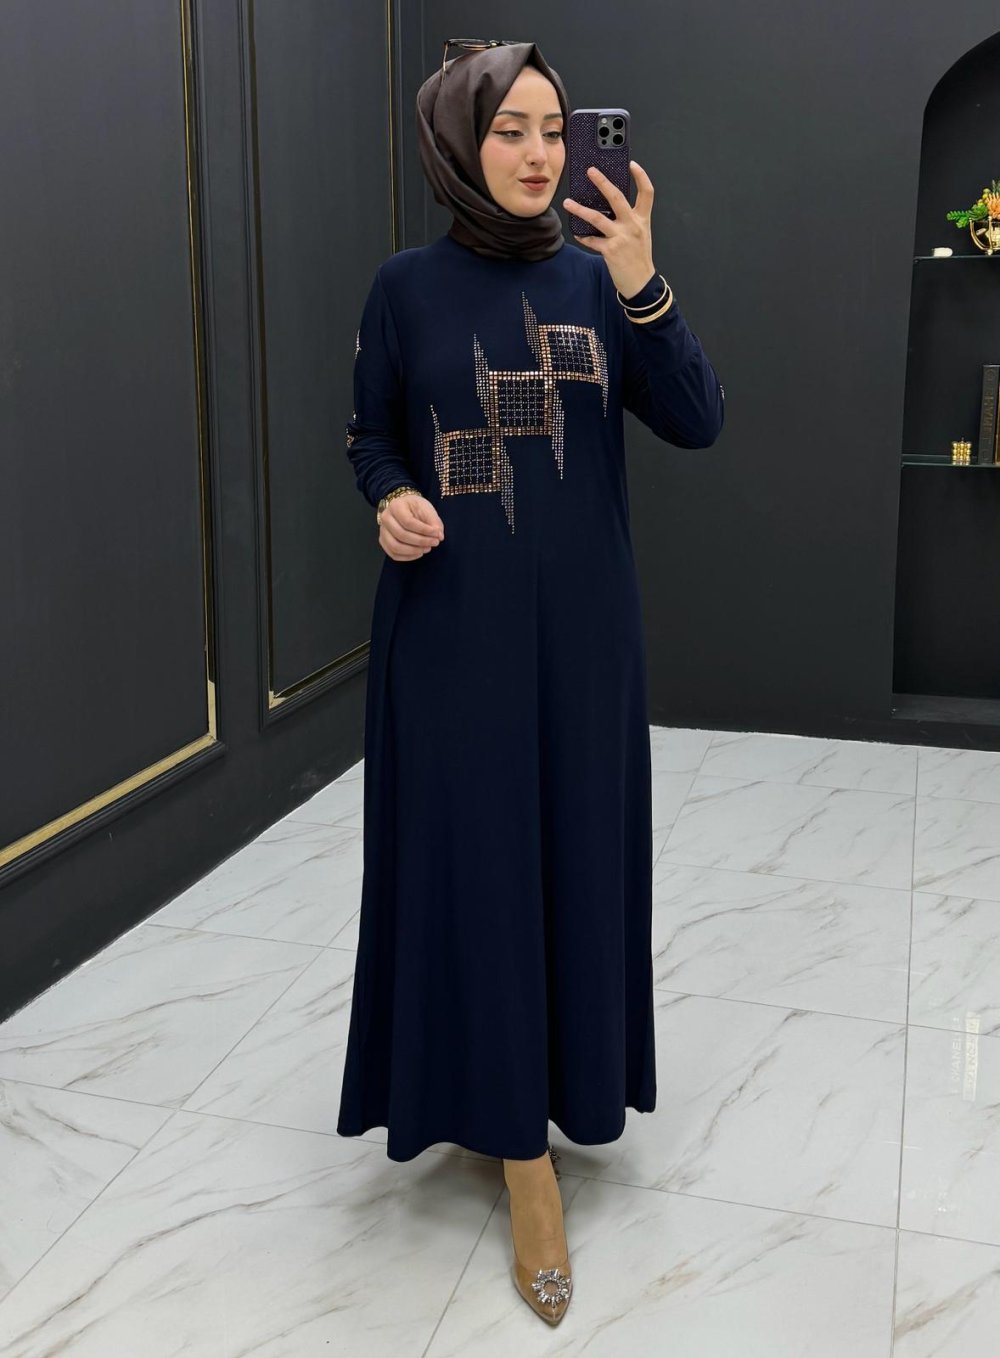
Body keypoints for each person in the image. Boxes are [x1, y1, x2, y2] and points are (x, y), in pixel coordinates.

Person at [336, 39, 724, 1325]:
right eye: (509, 128)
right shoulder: (404, 287)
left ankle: (558, 1089)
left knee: (572, 856)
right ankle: (516, 1151)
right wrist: (390, 495)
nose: (539, 153)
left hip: (584, 639)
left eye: (554, 128)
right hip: (450, 635)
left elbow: (698, 418)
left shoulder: (602, 278)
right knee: (478, 869)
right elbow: (371, 431)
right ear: (457, 140)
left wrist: (645, 283)